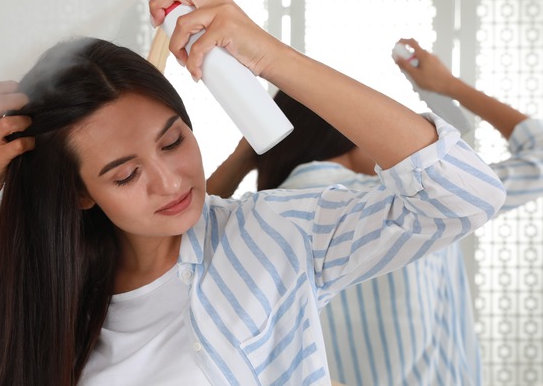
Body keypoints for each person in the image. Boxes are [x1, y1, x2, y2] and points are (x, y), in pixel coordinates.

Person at [0, 0, 505, 386]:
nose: (171, 181)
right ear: (79, 191)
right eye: (124, 172)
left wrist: (265, 54)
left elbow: (464, 194)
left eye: (174, 141)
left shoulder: (272, 239)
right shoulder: (37, 284)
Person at [207, 37, 543, 385]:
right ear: (348, 130)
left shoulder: (264, 220)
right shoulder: (423, 196)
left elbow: (181, 244)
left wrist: (245, 156)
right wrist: (447, 86)